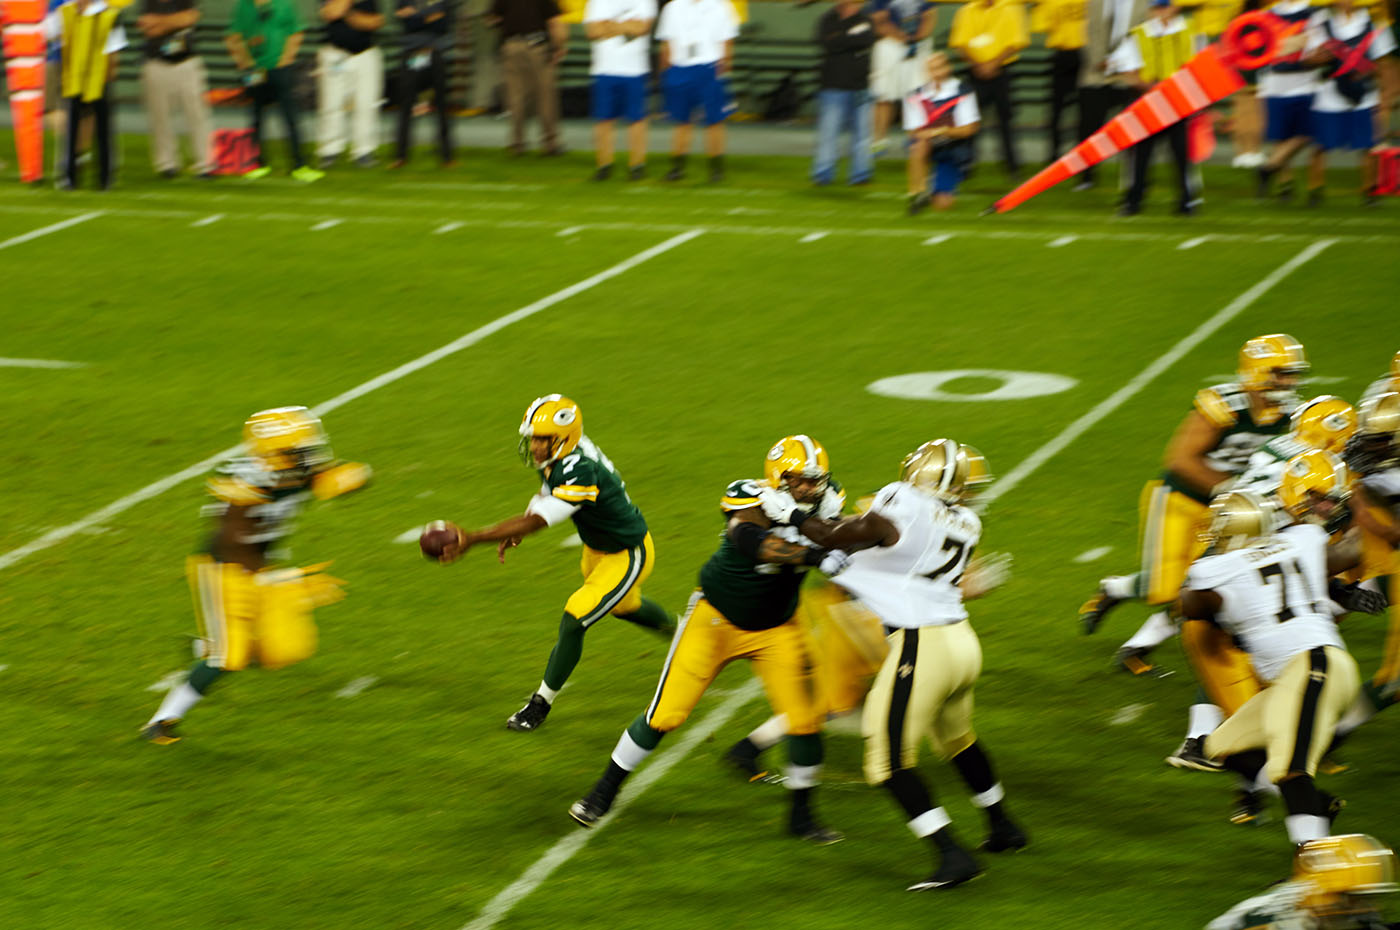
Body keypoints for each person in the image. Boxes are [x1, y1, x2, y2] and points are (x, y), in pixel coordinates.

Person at [568, 435, 850, 844]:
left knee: (804, 720)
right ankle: (603, 791)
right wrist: (813, 554)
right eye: (800, 480)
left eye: (815, 479)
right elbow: (751, 541)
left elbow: (844, 534)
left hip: (778, 628)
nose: (810, 487)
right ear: (779, 479)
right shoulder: (751, 498)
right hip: (716, 620)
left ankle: (802, 817)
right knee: (665, 715)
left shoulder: (827, 502)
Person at [795, 438, 1027, 889]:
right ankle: (1003, 827)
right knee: (958, 740)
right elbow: (872, 538)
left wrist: (794, 515)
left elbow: (837, 537)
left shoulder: (904, 500)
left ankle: (951, 855)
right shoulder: (968, 520)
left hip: (922, 647)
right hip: (960, 642)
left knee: (886, 761)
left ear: (920, 473)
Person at [434, 395, 673, 732]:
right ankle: (681, 634)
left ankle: (540, 703)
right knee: (626, 605)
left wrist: (472, 538)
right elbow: (547, 495)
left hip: (627, 552)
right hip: (597, 550)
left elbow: (540, 521)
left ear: (562, 438)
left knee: (576, 616)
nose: (534, 446)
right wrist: (522, 522)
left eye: (541, 439)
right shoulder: (564, 456)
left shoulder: (579, 468)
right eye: (533, 438)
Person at [140, 407, 371, 743]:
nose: (308, 456)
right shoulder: (244, 487)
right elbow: (233, 543)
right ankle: (161, 721)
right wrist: (275, 579)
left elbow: (332, 476)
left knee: (288, 650)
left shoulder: (287, 468)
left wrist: (355, 477)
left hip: (262, 570)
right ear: (273, 453)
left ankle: (203, 648)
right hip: (224, 571)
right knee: (229, 657)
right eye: (299, 451)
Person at [1081, 334, 1307, 677]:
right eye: (1280, 373)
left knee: (1204, 583)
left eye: (1291, 374)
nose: (1288, 382)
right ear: (1257, 370)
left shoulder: (1293, 414)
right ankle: (1114, 588)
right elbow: (1180, 460)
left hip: (1231, 512)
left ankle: (1136, 649)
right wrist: (1233, 488)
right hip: (1180, 500)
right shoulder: (1225, 404)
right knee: (1166, 588)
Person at [1182, 484, 1360, 849]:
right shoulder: (1304, 538)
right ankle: (1316, 808)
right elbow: (1341, 556)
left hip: (1312, 666)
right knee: (1222, 748)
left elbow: (1188, 606)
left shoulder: (1215, 569)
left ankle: (1313, 867)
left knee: (1290, 770)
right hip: (1304, 673)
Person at [1107, 0, 1204, 216]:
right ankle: (1134, 200)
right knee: (1141, 153)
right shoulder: (1139, 33)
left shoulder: (1190, 30)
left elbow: (1200, 65)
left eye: (1165, 6)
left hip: (1179, 102)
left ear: (1175, 7)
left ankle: (1186, 200)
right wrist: (1153, 87)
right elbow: (1126, 71)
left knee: (1181, 153)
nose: (1161, 12)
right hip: (1149, 102)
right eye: (1158, 7)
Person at [1300, 0, 1397, 206]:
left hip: (1364, 92)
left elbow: (1384, 63)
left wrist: (1385, 96)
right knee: (1321, 144)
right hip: (1329, 91)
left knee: (1368, 145)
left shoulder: (1374, 22)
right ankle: (1315, 190)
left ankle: (1369, 191)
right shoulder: (1319, 21)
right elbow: (1307, 59)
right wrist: (1318, 58)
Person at [1207, 834, 1398, 930]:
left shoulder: (1313, 901)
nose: (1364, 907)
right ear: (1324, 893)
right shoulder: (1284, 922)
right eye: (1353, 898)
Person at [226, 0, 325, 181]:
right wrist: (246, 62)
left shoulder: (284, 3)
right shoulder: (244, 5)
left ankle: (299, 165)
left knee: (291, 117)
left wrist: (285, 59)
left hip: (280, 69)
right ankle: (256, 163)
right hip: (255, 71)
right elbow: (233, 37)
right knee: (255, 118)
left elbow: (296, 33)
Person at [45, 0, 126, 190]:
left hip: (99, 80)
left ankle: (105, 178)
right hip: (74, 79)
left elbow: (114, 50)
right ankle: (69, 178)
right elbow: (47, 34)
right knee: (71, 132)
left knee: (103, 132)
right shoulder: (64, 12)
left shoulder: (110, 14)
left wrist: (109, 76)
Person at [655, 0, 740, 182]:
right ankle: (677, 168)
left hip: (710, 67)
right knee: (682, 121)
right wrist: (667, 72)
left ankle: (716, 170)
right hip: (679, 67)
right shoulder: (672, 7)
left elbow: (727, 41)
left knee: (714, 120)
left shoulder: (721, 6)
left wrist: (724, 68)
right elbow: (666, 43)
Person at [949, 0, 1029, 179]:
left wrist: (993, 64)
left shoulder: (1011, 9)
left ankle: (1012, 166)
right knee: (970, 121)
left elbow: (1015, 42)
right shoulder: (967, 11)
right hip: (974, 72)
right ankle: (966, 165)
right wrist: (979, 65)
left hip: (1002, 72)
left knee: (1006, 121)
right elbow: (959, 44)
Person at [1074, 0, 1147, 190]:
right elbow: (1089, 32)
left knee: (1135, 129)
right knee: (1088, 127)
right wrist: (1099, 61)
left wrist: (1120, 63)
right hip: (1095, 73)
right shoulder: (1095, 3)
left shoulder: (1143, 4)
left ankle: (1134, 177)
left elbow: (1142, 37)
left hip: (1129, 75)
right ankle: (1087, 176)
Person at [137, 0, 215, 178]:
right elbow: (147, 27)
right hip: (156, 62)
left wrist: (161, 22)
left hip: (186, 62)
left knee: (197, 114)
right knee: (160, 117)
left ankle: (205, 163)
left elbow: (190, 18)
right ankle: (167, 163)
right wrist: (174, 22)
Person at [1255, 0, 1323, 200]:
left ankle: (1268, 168)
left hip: (1305, 81)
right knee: (1281, 136)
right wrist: (1295, 42)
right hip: (1274, 82)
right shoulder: (1268, 15)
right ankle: (1285, 185)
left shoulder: (1314, 13)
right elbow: (1262, 48)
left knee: (1308, 132)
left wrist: (1282, 44)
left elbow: (1315, 45)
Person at [583, 0, 655, 181]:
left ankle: (637, 165)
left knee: (637, 119)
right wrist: (626, 26)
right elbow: (592, 31)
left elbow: (642, 28)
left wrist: (608, 26)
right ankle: (604, 165)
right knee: (604, 119)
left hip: (634, 68)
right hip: (605, 67)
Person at [904, 50, 981, 212]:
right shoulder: (915, 95)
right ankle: (918, 193)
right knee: (918, 144)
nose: (936, 73)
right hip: (928, 146)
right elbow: (913, 131)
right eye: (932, 69)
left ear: (948, 68)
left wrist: (940, 131)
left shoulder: (962, 91)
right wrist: (929, 134)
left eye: (939, 68)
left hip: (954, 149)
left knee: (943, 205)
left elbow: (969, 129)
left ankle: (937, 185)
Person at [488, 0, 567, 156]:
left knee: (515, 97)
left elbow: (491, 19)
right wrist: (558, 46)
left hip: (511, 46)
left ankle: (517, 144)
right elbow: (554, 22)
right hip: (536, 47)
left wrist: (506, 26)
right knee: (546, 96)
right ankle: (550, 144)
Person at [811, 0, 877, 186]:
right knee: (828, 132)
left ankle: (861, 173)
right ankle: (823, 173)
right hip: (832, 84)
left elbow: (866, 40)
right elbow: (825, 42)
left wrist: (840, 38)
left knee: (862, 133)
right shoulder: (827, 19)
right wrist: (848, 39)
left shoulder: (865, 19)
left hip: (860, 85)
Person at [316, 0, 385, 168]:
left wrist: (350, 15)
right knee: (332, 103)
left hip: (365, 53)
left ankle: (364, 150)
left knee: (367, 104)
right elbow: (330, 13)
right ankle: (329, 150)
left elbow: (376, 22)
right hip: (335, 54)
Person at [391, 0, 455, 167]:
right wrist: (428, 16)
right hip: (414, 55)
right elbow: (406, 22)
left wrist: (415, 15)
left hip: (434, 54)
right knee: (406, 105)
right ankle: (401, 156)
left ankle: (446, 156)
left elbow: (443, 24)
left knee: (441, 105)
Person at [867, 0, 935, 155]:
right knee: (884, 95)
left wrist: (917, 38)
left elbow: (930, 15)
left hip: (918, 45)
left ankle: (914, 137)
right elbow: (878, 20)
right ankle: (879, 140)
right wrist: (901, 36)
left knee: (917, 95)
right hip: (890, 44)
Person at [1031, 0, 1088, 163]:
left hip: (1078, 54)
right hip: (1072, 54)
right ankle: (1060, 154)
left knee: (1079, 109)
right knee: (1062, 109)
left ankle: (1074, 154)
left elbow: (1040, 26)